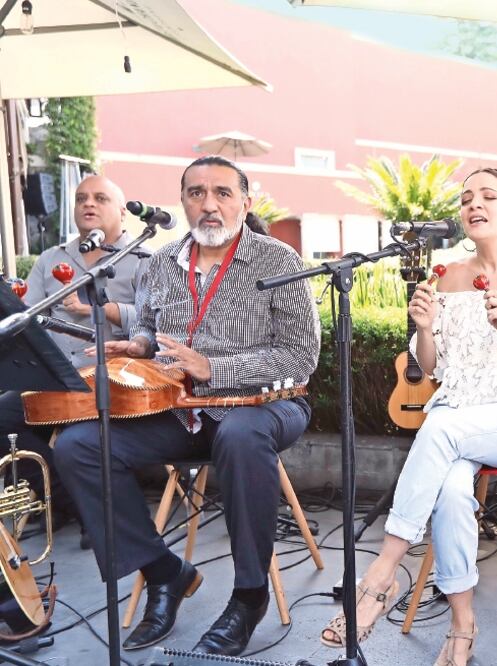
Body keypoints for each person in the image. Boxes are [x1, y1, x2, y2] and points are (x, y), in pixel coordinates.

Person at [53, 155, 320, 656]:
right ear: (183, 202)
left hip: (268, 403)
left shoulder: (278, 261)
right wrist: (141, 346)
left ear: (246, 201)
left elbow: (302, 354)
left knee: (240, 435)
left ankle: (248, 596)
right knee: (79, 443)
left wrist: (214, 368)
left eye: (222, 192)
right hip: (182, 408)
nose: (209, 204)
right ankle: (165, 572)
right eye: (196, 193)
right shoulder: (160, 263)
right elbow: (152, 331)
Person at [319, 167, 497, 666]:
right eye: (465, 199)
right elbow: (431, 369)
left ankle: (381, 574)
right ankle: (462, 625)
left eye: (487, 196)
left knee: (441, 426)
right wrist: (426, 329)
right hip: (461, 422)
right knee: (454, 491)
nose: (472, 205)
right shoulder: (449, 276)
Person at [0, 174, 146, 542]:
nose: (88, 204)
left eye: (99, 198)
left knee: (78, 439)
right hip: (45, 377)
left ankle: (82, 508)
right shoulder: (52, 257)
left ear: (121, 212)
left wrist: (100, 308)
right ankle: (71, 503)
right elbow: (23, 312)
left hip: (106, 380)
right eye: (81, 198)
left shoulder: (143, 259)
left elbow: (152, 321)